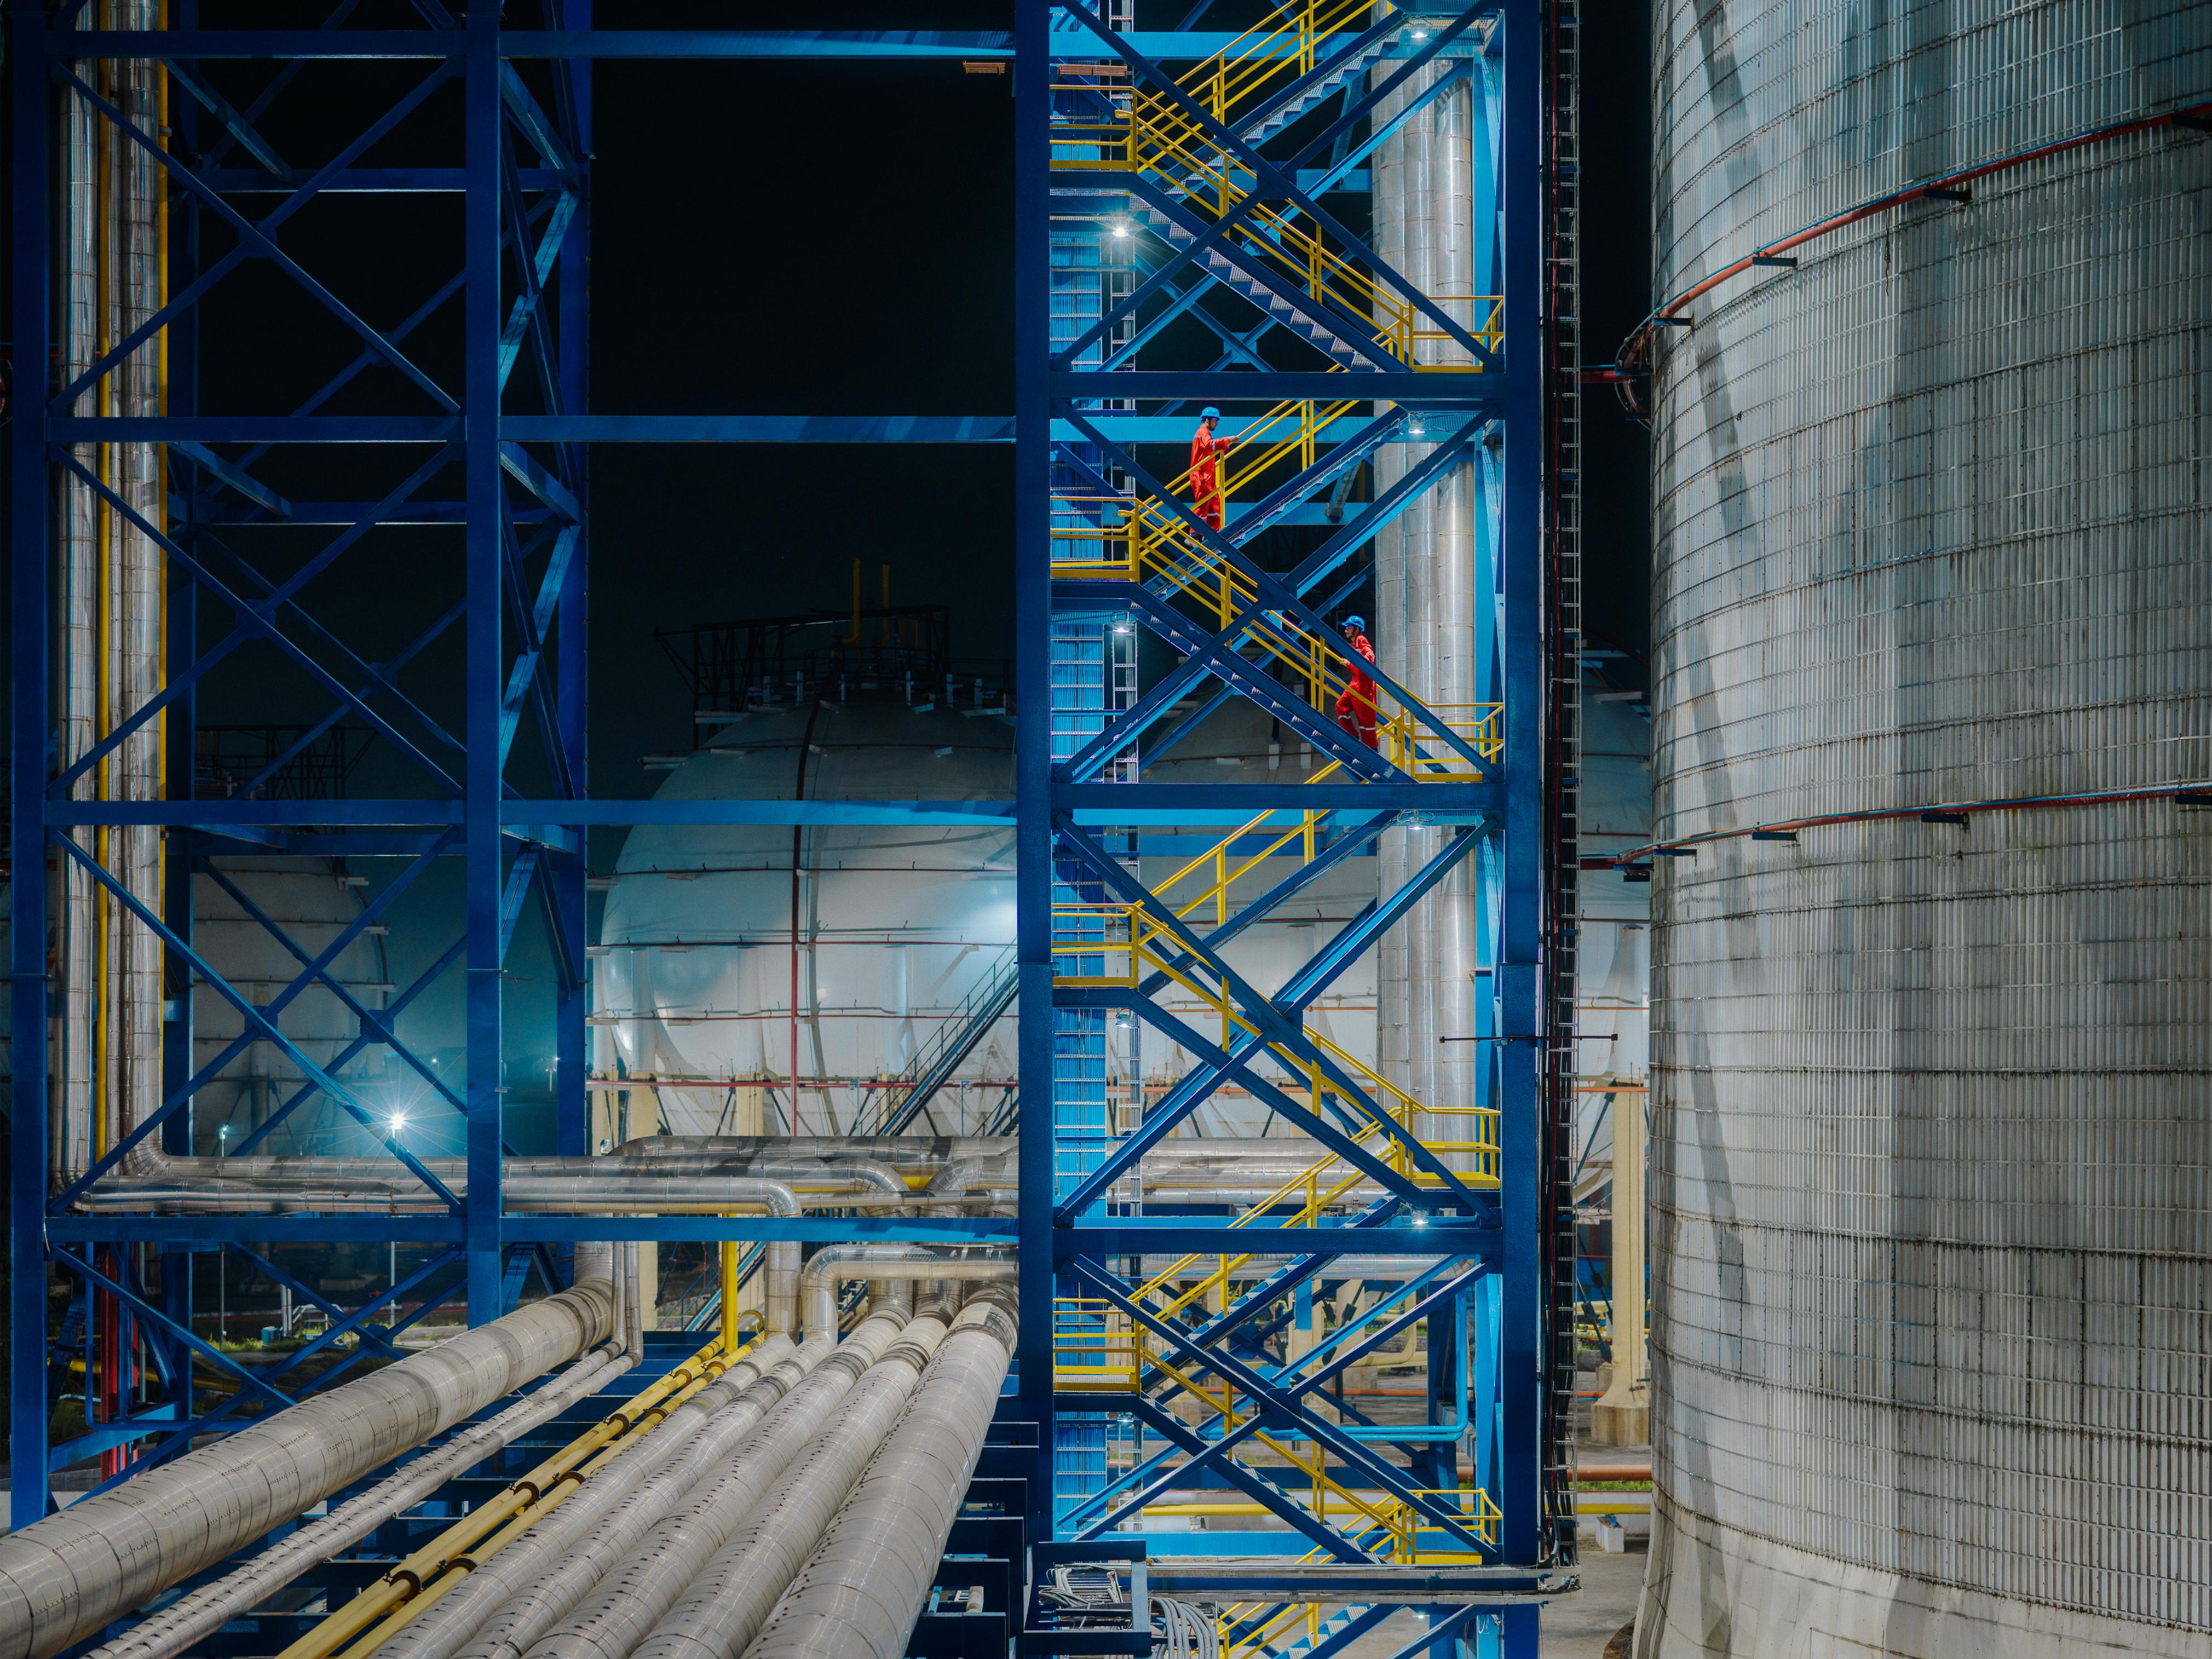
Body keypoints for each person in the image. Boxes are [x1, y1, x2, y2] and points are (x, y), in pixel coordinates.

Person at [1335, 615, 1379, 749]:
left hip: (1364, 689)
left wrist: (1349, 665)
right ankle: (1353, 736)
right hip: (1355, 685)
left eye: (1348, 628)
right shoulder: (1354, 645)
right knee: (1341, 706)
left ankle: (1372, 751)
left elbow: (1369, 656)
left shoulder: (1361, 640)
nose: (1346, 631)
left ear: (1356, 629)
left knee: (1366, 725)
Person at [1189, 406, 1230, 532]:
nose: (1216, 424)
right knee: (1203, 504)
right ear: (1207, 420)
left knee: (1215, 505)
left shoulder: (1205, 433)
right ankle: (1194, 534)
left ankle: (1214, 533)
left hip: (1207, 476)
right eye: (1215, 421)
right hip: (1201, 476)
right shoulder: (1202, 432)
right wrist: (1228, 440)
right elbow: (1210, 444)